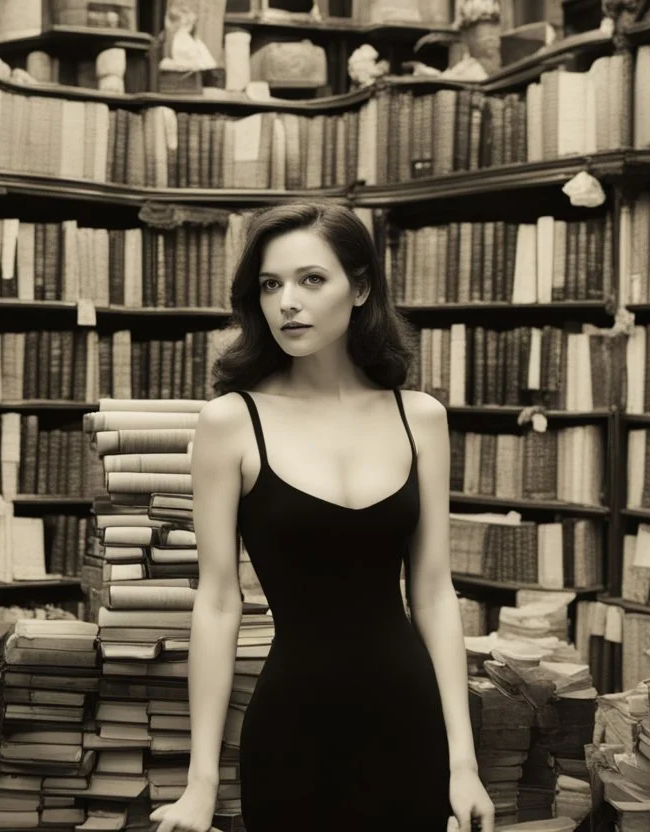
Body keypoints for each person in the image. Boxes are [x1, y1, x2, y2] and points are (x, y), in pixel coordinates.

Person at [148, 203, 496, 832]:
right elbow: (218, 603)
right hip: (292, 726)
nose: (288, 302)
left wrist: (463, 761)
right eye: (271, 284)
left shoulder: (420, 417)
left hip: (409, 722)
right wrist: (200, 784)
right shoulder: (230, 422)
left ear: (360, 288)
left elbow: (434, 593)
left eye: (312, 280)